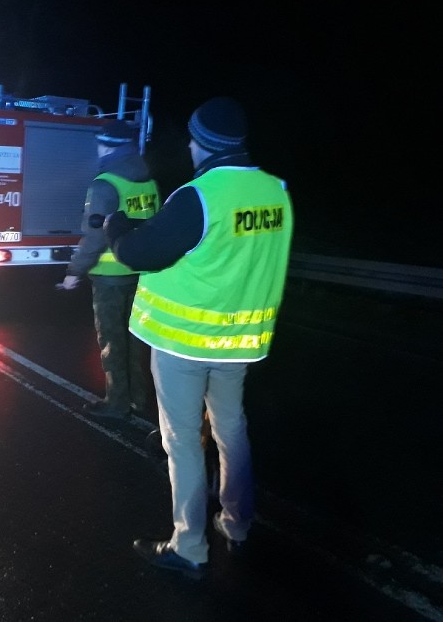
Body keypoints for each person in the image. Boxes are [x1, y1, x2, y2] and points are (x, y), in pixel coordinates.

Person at [104, 97, 294, 577]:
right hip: (238, 343)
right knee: (232, 429)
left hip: (184, 342)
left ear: (204, 145)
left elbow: (139, 253)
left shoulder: (199, 196)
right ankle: (237, 523)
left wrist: (116, 227)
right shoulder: (276, 191)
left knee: (184, 441)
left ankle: (189, 545)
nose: (188, 146)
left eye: (191, 138)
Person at [57, 119, 160, 420]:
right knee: (133, 341)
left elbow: (96, 235)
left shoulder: (105, 184)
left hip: (110, 278)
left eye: (101, 143)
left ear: (108, 146)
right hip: (139, 273)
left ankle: (116, 405)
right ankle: (138, 400)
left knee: (112, 342)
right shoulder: (147, 181)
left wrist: (74, 271)